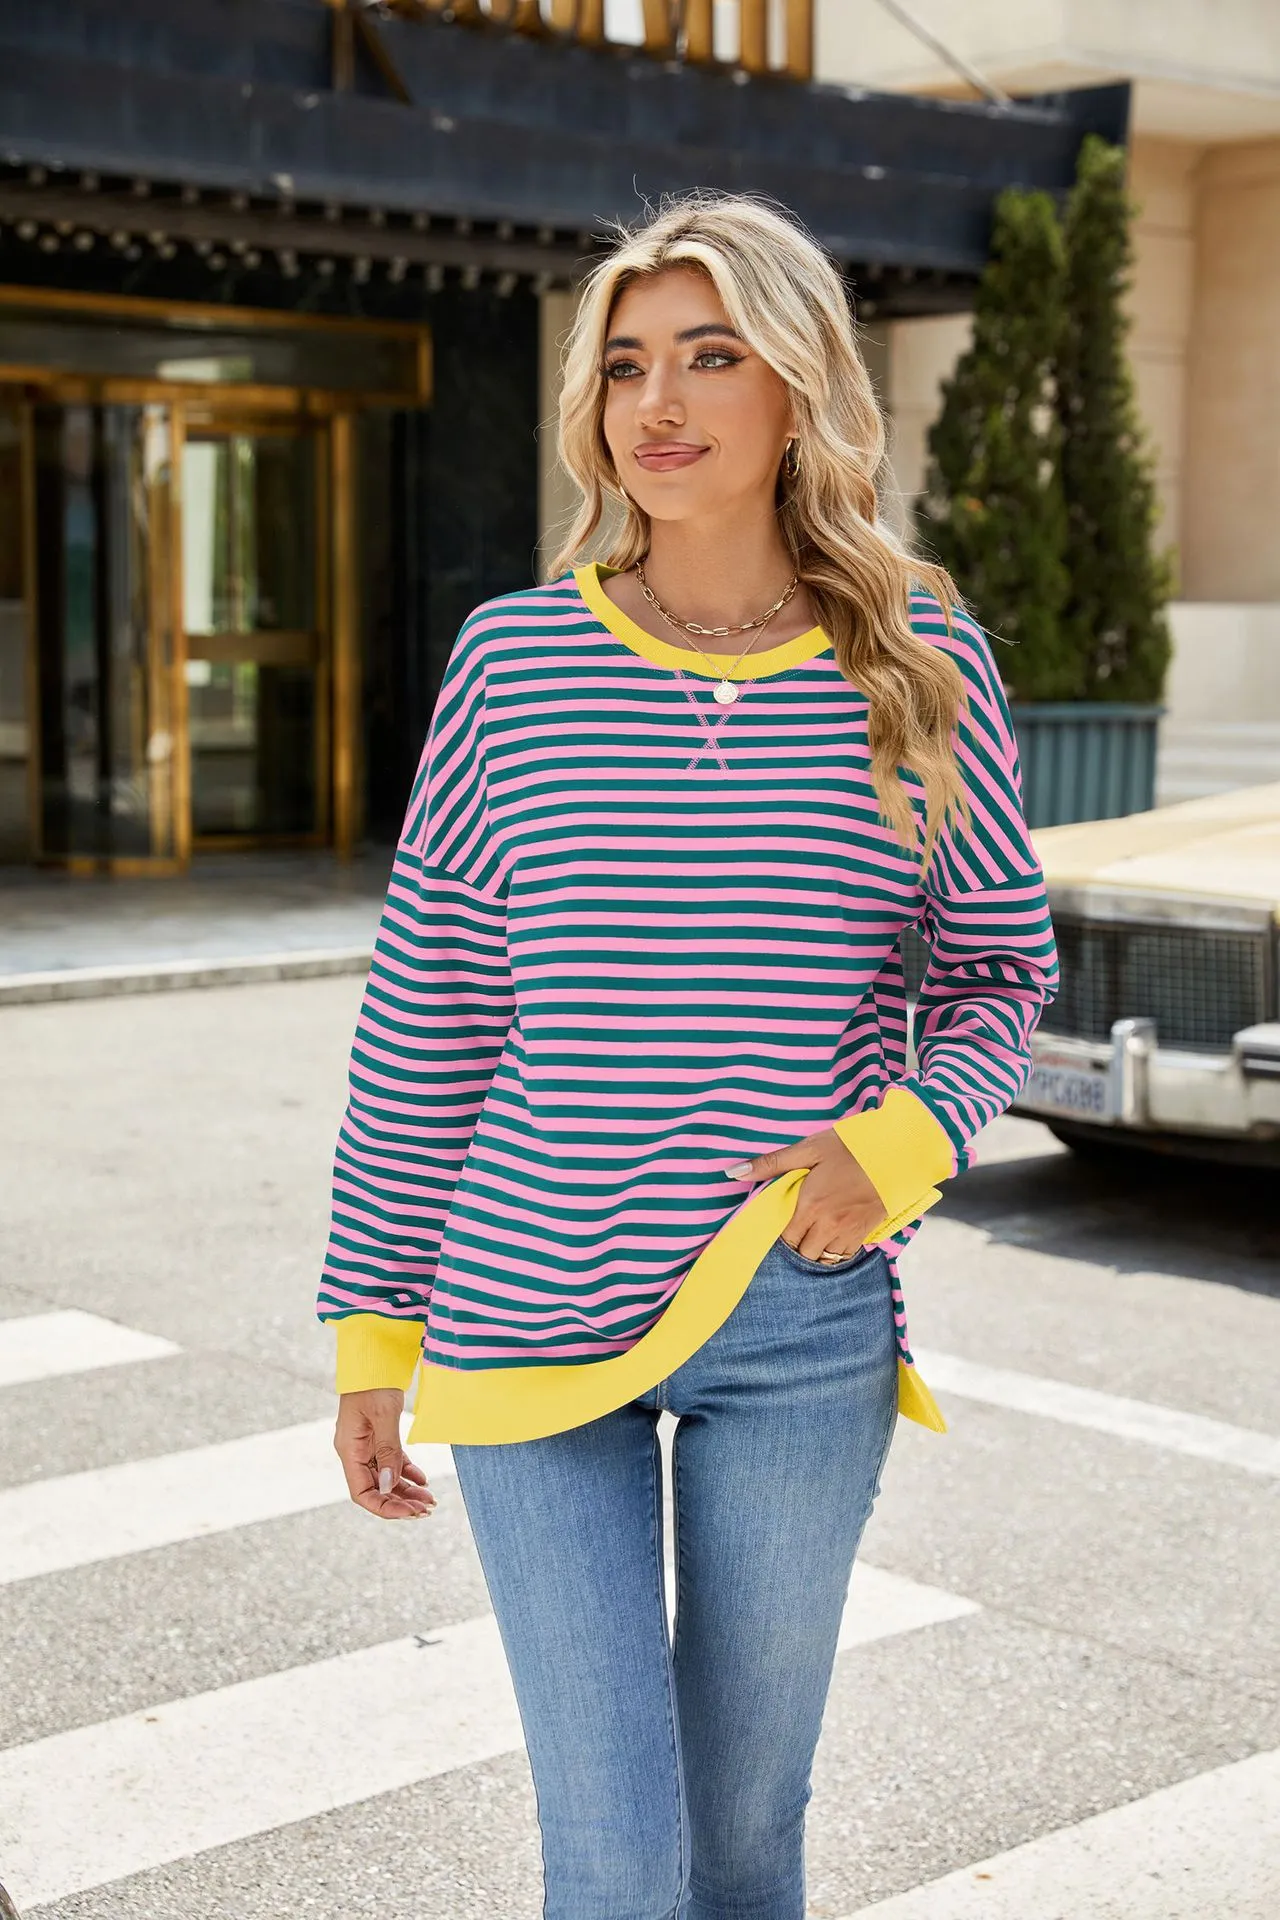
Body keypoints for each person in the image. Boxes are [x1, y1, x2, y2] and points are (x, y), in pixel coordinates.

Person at [319, 191, 1057, 1920]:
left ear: (801, 385)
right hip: (523, 1301)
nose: (656, 401)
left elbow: (998, 974)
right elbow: (430, 1015)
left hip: (794, 1308)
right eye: (625, 363)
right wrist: (372, 1328)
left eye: (711, 356)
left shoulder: (917, 663)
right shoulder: (512, 663)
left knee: (741, 1842)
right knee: (618, 1856)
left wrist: (898, 1147)